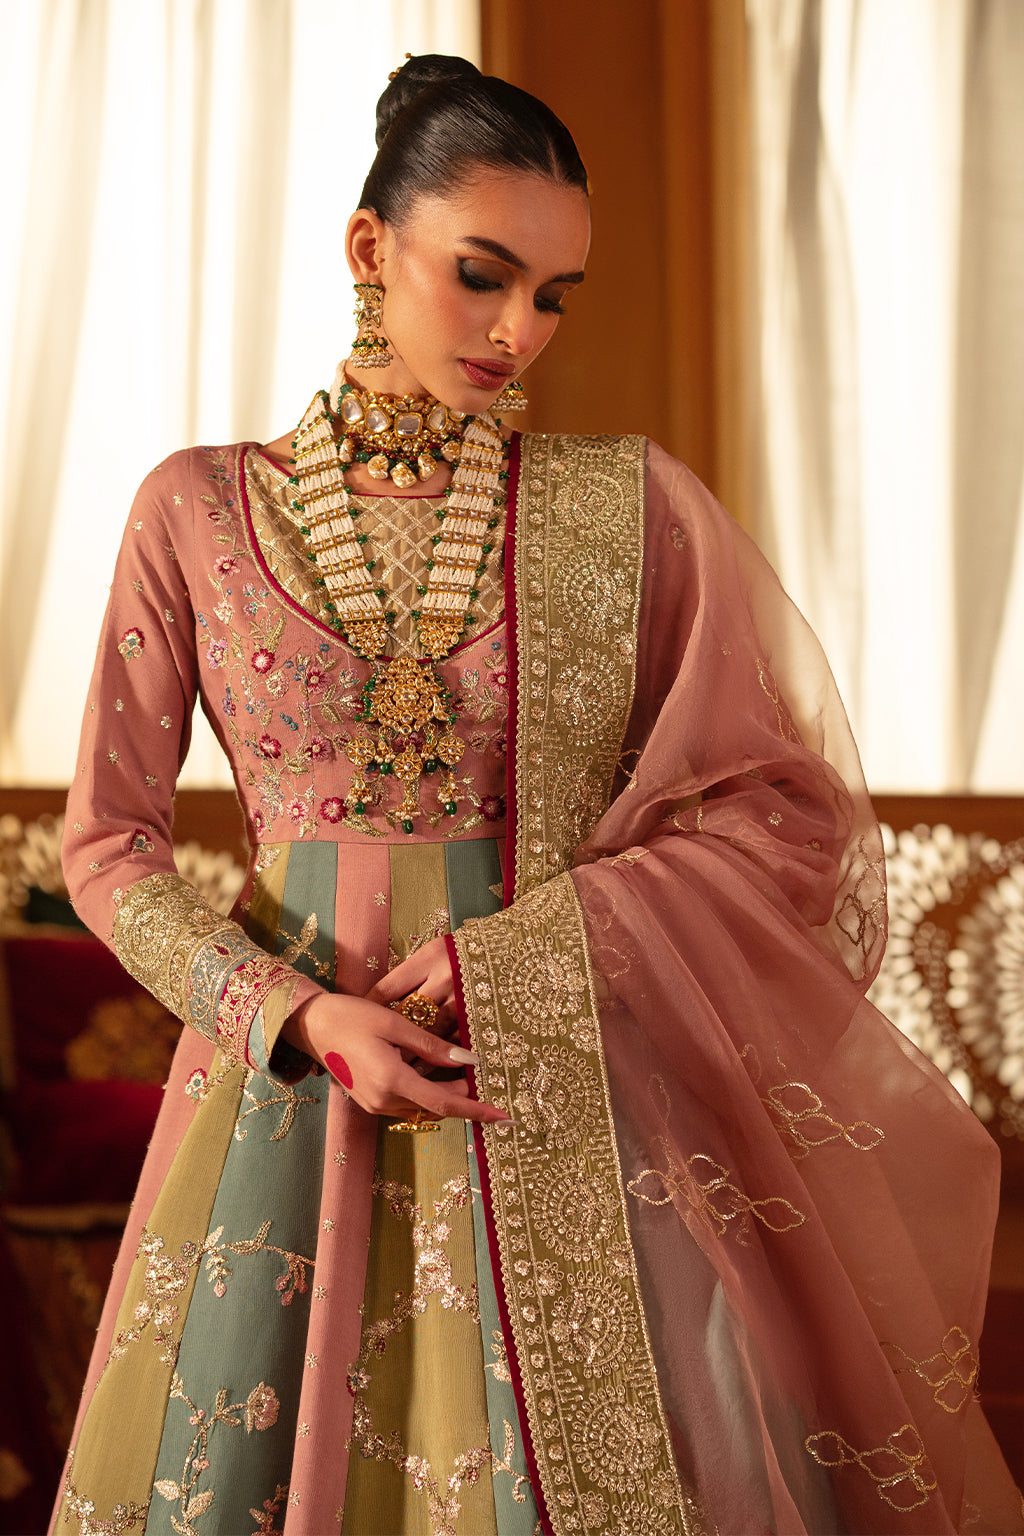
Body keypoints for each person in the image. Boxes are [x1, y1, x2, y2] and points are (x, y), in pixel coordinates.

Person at [52, 53, 1020, 1536]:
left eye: (555, 294)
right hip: (281, 1107)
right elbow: (107, 849)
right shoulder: (195, 507)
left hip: (553, 1092)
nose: (521, 331)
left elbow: (780, 812)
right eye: (482, 275)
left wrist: (534, 955)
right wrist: (298, 1019)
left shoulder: (622, 509)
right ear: (371, 248)